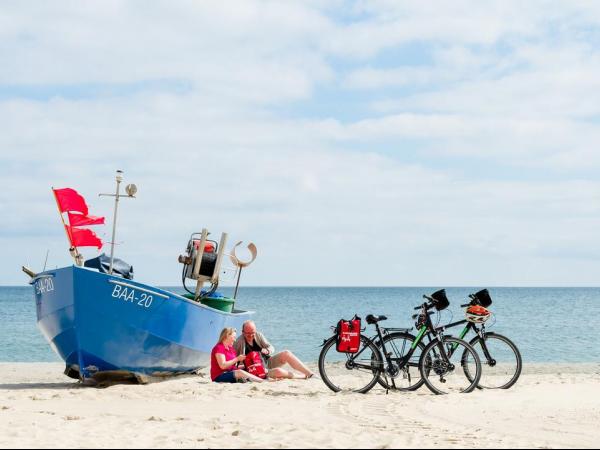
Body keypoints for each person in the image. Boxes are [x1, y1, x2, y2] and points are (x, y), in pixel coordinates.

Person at [234, 320, 316, 380]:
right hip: (256, 370)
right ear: (243, 332)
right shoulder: (239, 342)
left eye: (253, 332)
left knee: (286, 353)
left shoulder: (258, 335)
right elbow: (233, 361)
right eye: (248, 334)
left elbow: (271, 347)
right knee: (278, 371)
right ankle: (302, 376)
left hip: (268, 362)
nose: (251, 335)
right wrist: (242, 365)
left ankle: (310, 374)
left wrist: (267, 350)